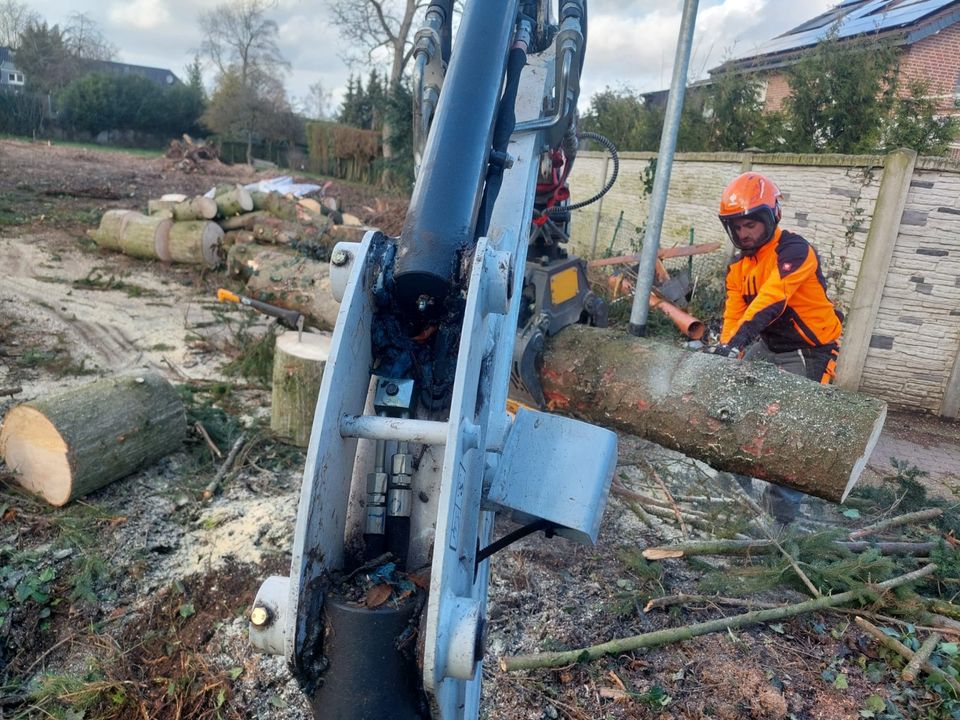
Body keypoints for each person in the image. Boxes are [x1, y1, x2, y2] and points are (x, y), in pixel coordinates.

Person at [708, 171, 844, 525]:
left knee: (789, 430)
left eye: (751, 224)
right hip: (770, 345)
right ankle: (734, 492)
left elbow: (772, 300)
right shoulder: (738, 267)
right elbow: (734, 314)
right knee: (733, 400)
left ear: (771, 217)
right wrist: (728, 350)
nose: (744, 233)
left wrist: (737, 342)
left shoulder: (794, 250)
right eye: (737, 227)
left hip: (810, 350)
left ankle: (779, 521)